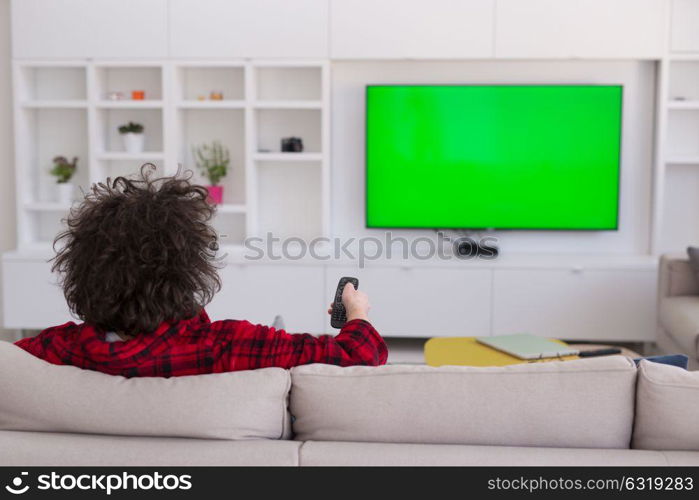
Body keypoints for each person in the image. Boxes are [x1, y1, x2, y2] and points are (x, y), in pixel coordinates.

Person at [15, 166, 387, 377]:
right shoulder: (231, 346)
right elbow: (361, 354)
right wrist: (356, 312)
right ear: (191, 270)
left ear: (81, 270)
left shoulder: (51, 350)